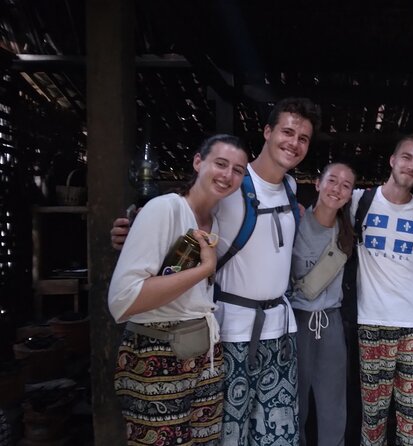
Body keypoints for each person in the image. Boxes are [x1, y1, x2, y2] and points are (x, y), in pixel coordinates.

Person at [111, 98, 322, 446]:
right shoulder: (231, 186)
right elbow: (185, 209)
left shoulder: (291, 187)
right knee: (230, 435)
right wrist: (130, 230)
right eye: (287, 131)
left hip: (280, 331)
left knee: (278, 435)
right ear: (267, 132)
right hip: (231, 331)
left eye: (303, 138)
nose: (294, 143)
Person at [108, 134, 249, 445]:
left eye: (238, 170)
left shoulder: (216, 221)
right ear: (198, 162)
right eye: (220, 164)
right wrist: (203, 269)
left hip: (205, 352)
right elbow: (122, 300)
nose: (227, 175)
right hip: (157, 354)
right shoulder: (165, 209)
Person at [351, 134, 413, 446]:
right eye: (406, 157)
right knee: (373, 413)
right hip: (373, 320)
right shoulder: (358, 202)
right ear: (392, 160)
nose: (411, 165)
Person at [288, 162, 356, 446]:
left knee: (332, 406)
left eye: (345, 185)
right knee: (295, 401)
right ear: (317, 183)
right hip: (297, 321)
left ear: (350, 195)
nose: (337, 189)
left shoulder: (346, 230)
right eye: (332, 181)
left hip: (330, 323)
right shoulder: (294, 221)